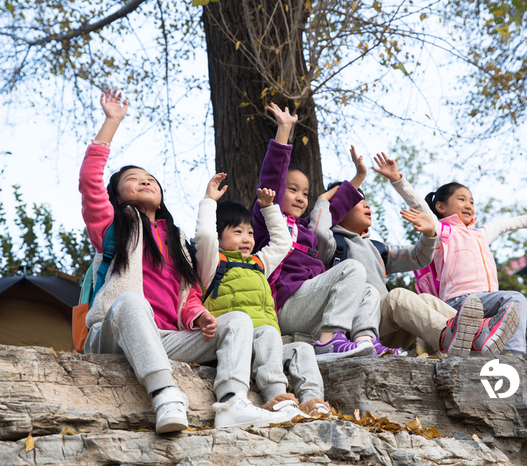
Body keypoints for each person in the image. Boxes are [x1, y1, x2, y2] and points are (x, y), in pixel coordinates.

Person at [79, 89, 288, 433]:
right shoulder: (113, 226)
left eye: (150, 178)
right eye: (133, 179)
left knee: (236, 321)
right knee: (131, 301)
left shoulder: (175, 240)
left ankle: (232, 402)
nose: (144, 180)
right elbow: (89, 184)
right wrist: (111, 122)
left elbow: (187, 295)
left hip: (164, 336)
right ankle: (164, 394)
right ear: (117, 196)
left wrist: (199, 314)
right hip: (114, 332)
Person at [311, 157, 518, 357]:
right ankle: (449, 336)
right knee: (397, 297)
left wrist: (429, 235)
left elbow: (417, 257)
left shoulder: (378, 249)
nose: (367, 205)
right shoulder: (333, 245)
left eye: (366, 201)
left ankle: (479, 334)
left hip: (383, 330)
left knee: (427, 300)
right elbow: (318, 233)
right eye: (357, 200)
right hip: (352, 328)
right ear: (338, 207)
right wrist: (323, 201)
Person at [253, 103, 400, 359]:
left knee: (368, 290)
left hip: (311, 304)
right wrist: (284, 130)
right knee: (352, 268)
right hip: (286, 305)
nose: (300, 197)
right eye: (293, 189)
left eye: (305, 193)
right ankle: (329, 339)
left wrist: (358, 177)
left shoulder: (306, 229)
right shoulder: (269, 217)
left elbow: (335, 209)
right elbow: (272, 176)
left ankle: (366, 340)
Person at [389, 153, 527, 364]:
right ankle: (511, 355)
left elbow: (502, 225)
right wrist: (397, 180)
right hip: (461, 302)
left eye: (472, 201)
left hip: (489, 300)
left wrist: (525, 220)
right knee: (515, 298)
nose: (469, 205)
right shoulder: (442, 231)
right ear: (440, 207)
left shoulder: (480, 234)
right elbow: (419, 204)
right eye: (462, 199)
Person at [194, 174, 331, 419]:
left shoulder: (259, 264)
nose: (247, 239)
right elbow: (204, 237)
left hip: (267, 346)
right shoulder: (213, 263)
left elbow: (283, 243)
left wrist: (269, 208)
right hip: (235, 345)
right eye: (237, 232)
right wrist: (208, 202)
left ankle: (313, 401)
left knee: (302, 350)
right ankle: (277, 397)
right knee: (269, 333)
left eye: (249, 232)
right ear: (219, 236)